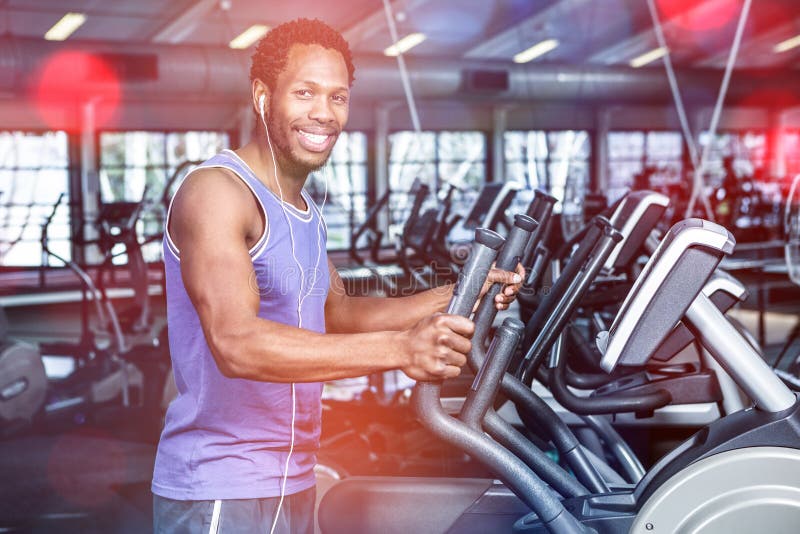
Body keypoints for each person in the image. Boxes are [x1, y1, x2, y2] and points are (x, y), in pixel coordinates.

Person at [151, 18, 524, 534]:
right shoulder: (216, 191)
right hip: (221, 485)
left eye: (338, 97)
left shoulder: (304, 207)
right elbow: (235, 343)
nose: (324, 114)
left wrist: (459, 294)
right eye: (304, 93)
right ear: (263, 96)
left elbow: (338, 313)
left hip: (294, 476)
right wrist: (402, 349)